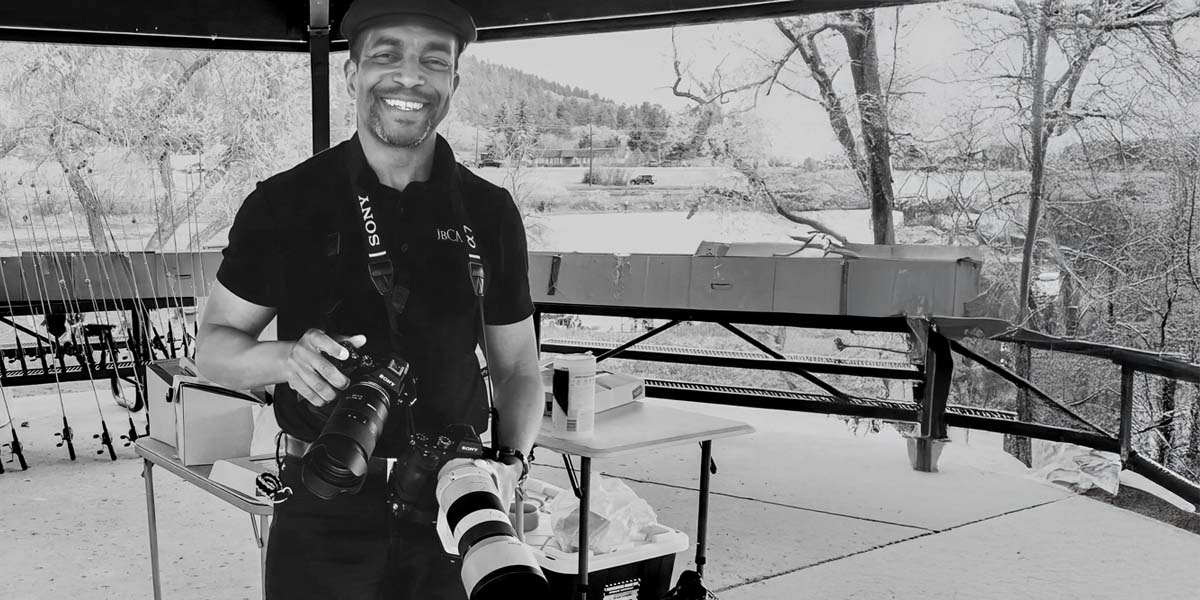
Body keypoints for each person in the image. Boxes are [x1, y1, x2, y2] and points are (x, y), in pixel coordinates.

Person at [194, 0, 544, 597]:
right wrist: (286, 360)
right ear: (352, 74)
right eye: (387, 55)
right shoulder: (285, 203)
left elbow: (517, 368)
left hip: (454, 501)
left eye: (434, 61)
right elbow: (212, 349)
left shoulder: (490, 211)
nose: (410, 77)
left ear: (453, 83)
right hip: (323, 496)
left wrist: (511, 464)